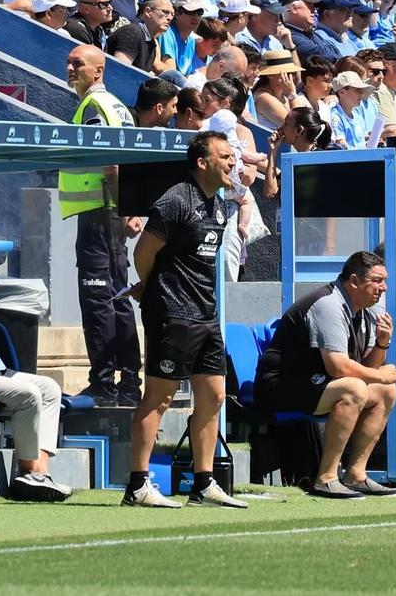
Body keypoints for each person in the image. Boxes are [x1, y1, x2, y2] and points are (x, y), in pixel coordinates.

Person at [124, 131, 246, 509]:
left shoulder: (221, 206)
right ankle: (138, 485)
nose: (232, 162)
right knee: (158, 399)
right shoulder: (176, 200)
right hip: (171, 313)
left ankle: (204, 483)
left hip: (206, 315)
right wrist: (148, 286)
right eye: (225, 156)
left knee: (214, 397)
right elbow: (144, 251)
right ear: (202, 162)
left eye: (232, 156)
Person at [254, 251, 396, 498]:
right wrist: (380, 376)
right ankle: (326, 478)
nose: (384, 288)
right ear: (354, 281)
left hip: (316, 384)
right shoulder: (328, 304)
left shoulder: (363, 310)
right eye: (377, 281)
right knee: (354, 388)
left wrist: (382, 345)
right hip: (279, 385)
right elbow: (338, 367)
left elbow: (363, 367)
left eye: (384, 281)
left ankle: (356, 475)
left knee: (386, 391)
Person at [63, 45, 140, 407]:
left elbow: (109, 162)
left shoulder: (95, 106)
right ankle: (128, 384)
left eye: (78, 63)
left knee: (99, 299)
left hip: (100, 214)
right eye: (69, 62)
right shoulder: (118, 106)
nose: (70, 67)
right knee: (118, 297)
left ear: (99, 71)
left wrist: (124, 207)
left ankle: (105, 384)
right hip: (111, 212)